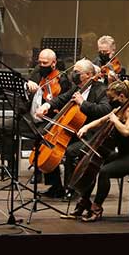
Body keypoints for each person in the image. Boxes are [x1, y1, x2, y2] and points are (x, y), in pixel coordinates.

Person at [62, 80, 129, 222]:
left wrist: (115, 120)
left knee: (105, 171)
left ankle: (97, 208)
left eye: (111, 98)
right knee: (93, 166)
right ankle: (83, 203)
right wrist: (86, 127)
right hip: (122, 154)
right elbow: (102, 120)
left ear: (121, 96)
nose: (110, 101)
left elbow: (126, 131)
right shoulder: (118, 110)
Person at [34, 59, 112, 198]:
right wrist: (47, 106)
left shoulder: (101, 90)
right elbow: (62, 99)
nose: (73, 74)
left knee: (70, 151)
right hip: (75, 131)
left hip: (92, 134)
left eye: (77, 72)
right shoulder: (77, 88)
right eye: (73, 71)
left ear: (88, 74)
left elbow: (105, 111)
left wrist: (83, 103)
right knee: (46, 141)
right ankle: (56, 186)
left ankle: (72, 188)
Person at [0, 48, 71, 182]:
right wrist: (27, 84)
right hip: (29, 117)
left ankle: (40, 172)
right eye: (40, 62)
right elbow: (26, 90)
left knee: (42, 136)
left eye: (45, 63)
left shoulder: (62, 80)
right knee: (3, 128)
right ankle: (11, 168)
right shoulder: (37, 71)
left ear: (53, 63)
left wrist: (48, 104)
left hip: (47, 121)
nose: (41, 66)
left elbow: (62, 104)